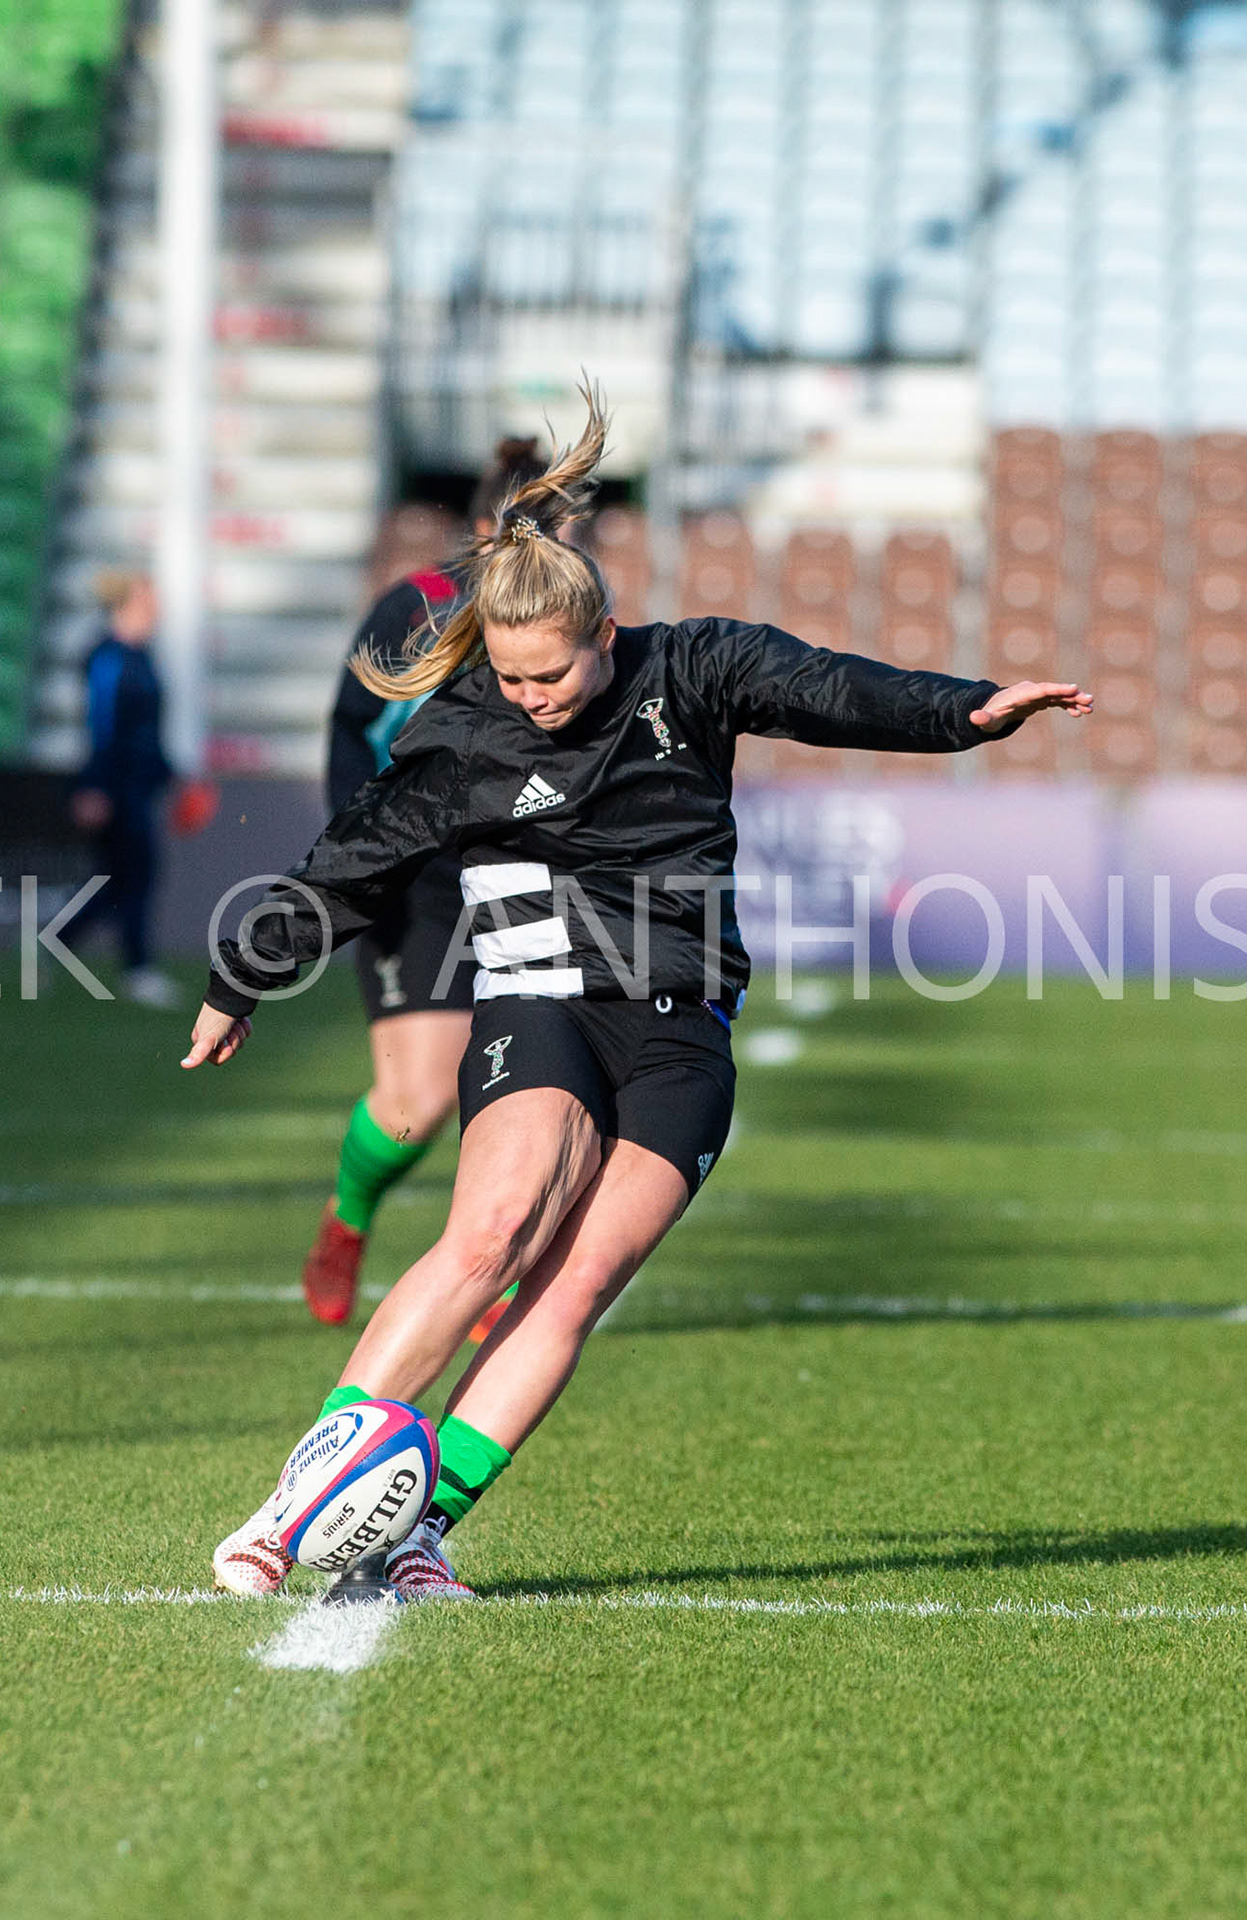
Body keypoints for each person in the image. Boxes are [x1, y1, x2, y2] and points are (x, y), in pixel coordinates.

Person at [183, 388, 1092, 1602]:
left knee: (575, 1285)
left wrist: (962, 712)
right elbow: (353, 860)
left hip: (682, 1026)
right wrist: (244, 978)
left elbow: (827, 686)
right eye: (507, 677)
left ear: (604, 633)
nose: (530, 696)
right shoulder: (464, 734)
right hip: (542, 994)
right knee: (494, 1231)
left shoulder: (692, 670)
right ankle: (290, 1511)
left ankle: (418, 1534)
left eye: (548, 672)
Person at [300, 437, 545, 1328]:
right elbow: (348, 732)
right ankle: (347, 1219)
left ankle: (494, 1258)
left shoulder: (573, 615)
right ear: (485, 529)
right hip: (422, 870)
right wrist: (359, 852)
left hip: (528, 872)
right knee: (416, 1106)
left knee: (540, 1080)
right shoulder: (419, 608)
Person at [65, 569, 179, 1010]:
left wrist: (171, 773)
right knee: (136, 875)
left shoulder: (142, 655)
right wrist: (94, 786)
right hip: (114, 784)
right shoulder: (108, 657)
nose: (158, 608)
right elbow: (103, 725)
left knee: (118, 879)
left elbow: (148, 730)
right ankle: (138, 970)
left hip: (141, 782)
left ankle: (56, 942)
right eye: (149, 598)